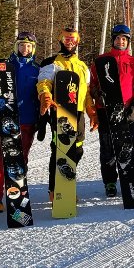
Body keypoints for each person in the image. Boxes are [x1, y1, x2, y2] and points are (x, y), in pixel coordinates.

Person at [88, 24, 134, 197]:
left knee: (129, 147)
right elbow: (92, 84)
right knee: (108, 148)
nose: (121, 41)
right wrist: (97, 94)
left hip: (126, 111)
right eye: (118, 38)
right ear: (113, 40)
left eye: (124, 39)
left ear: (128, 41)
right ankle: (110, 182)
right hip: (105, 110)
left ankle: (131, 178)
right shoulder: (100, 61)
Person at [37, 27, 94, 194]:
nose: (69, 43)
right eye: (66, 39)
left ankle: (66, 183)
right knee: (59, 149)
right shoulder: (53, 62)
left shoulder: (82, 66)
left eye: (73, 40)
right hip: (60, 112)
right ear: (60, 40)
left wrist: (91, 110)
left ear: (77, 42)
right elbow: (44, 82)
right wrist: (45, 95)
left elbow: (87, 91)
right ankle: (54, 189)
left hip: (78, 112)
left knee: (77, 148)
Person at [0, 31, 40, 212]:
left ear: (33, 48)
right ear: (16, 46)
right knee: (3, 158)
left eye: (28, 46)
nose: (25, 49)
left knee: (21, 159)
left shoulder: (36, 69)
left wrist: (41, 119)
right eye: (21, 45)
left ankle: (16, 194)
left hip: (28, 120)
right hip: (8, 119)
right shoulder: (6, 66)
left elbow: (40, 95)